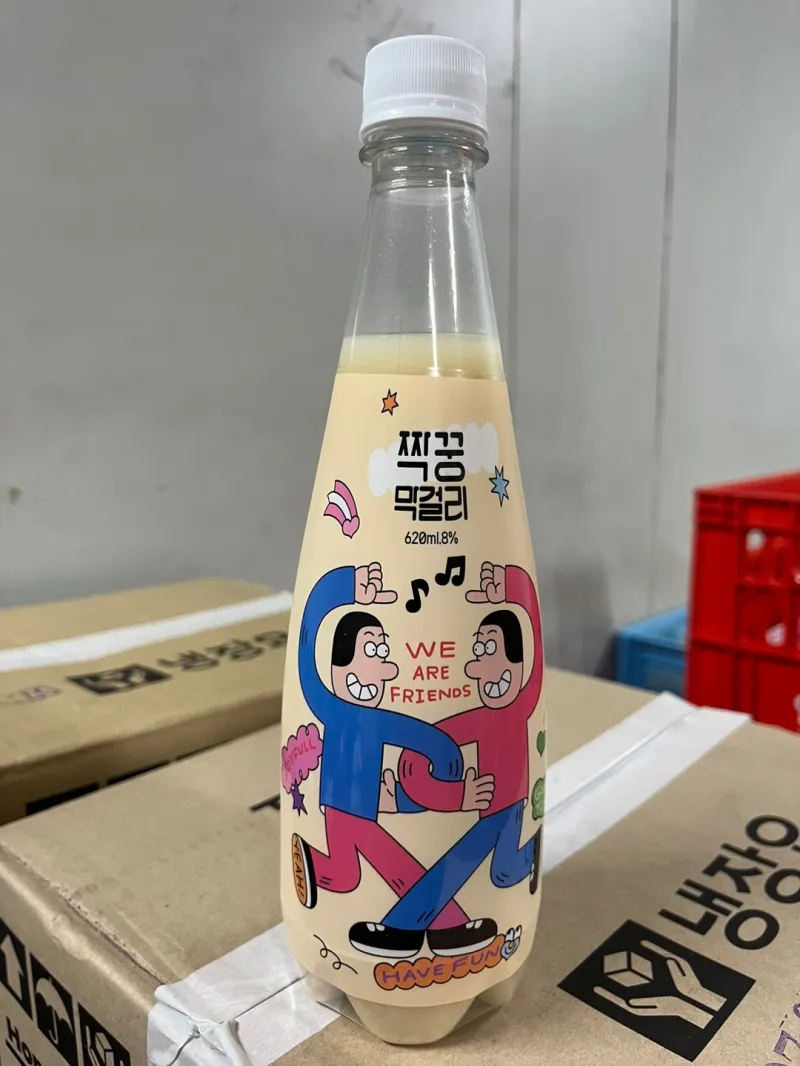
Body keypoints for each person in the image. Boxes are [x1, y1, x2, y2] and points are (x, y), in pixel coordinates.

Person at [291, 561, 497, 959]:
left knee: (353, 873)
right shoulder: (329, 705)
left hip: (366, 806)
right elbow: (306, 649)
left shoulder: (384, 721)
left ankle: (318, 869)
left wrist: (418, 795)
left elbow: (425, 746)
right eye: (370, 649)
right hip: (344, 805)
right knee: (381, 868)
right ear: (336, 664)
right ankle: (443, 928)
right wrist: (346, 586)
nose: (379, 665)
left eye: (381, 651)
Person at [349, 561, 542, 952]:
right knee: (503, 871)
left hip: (508, 803)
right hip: (490, 806)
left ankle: (402, 928)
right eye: (480, 650)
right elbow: (433, 745)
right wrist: (405, 796)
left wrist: (509, 585)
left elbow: (535, 650)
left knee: (483, 866)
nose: (482, 665)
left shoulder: (522, 702)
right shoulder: (476, 718)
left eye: (491, 649)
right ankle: (437, 929)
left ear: (519, 663)